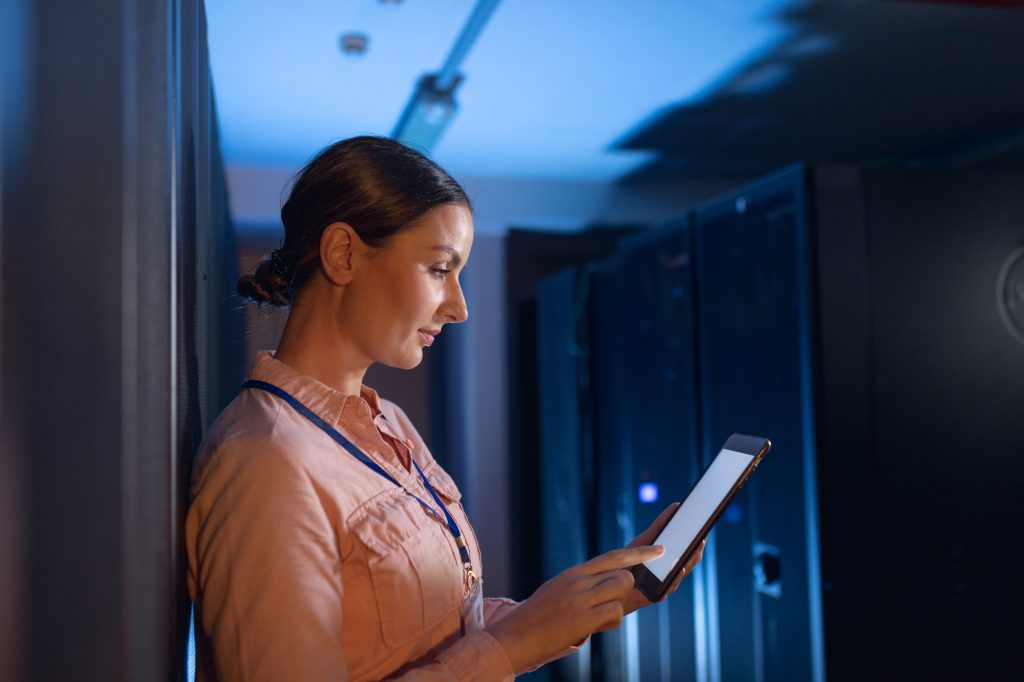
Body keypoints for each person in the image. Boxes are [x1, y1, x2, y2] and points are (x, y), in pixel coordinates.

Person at [185, 136, 703, 681]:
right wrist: (508, 651)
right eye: (438, 270)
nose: (459, 308)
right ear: (344, 255)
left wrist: (594, 598)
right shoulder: (267, 463)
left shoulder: (390, 425)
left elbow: (435, 633)